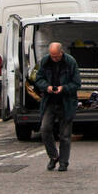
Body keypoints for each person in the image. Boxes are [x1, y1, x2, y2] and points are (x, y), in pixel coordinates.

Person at [34, 42, 81, 172]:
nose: (54, 59)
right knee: (45, 129)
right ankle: (53, 156)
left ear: (61, 53)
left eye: (56, 56)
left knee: (65, 135)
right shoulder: (45, 61)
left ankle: (63, 163)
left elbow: (77, 83)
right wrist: (47, 87)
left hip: (66, 102)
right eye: (52, 56)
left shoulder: (70, 62)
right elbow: (38, 79)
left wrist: (63, 88)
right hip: (50, 101)